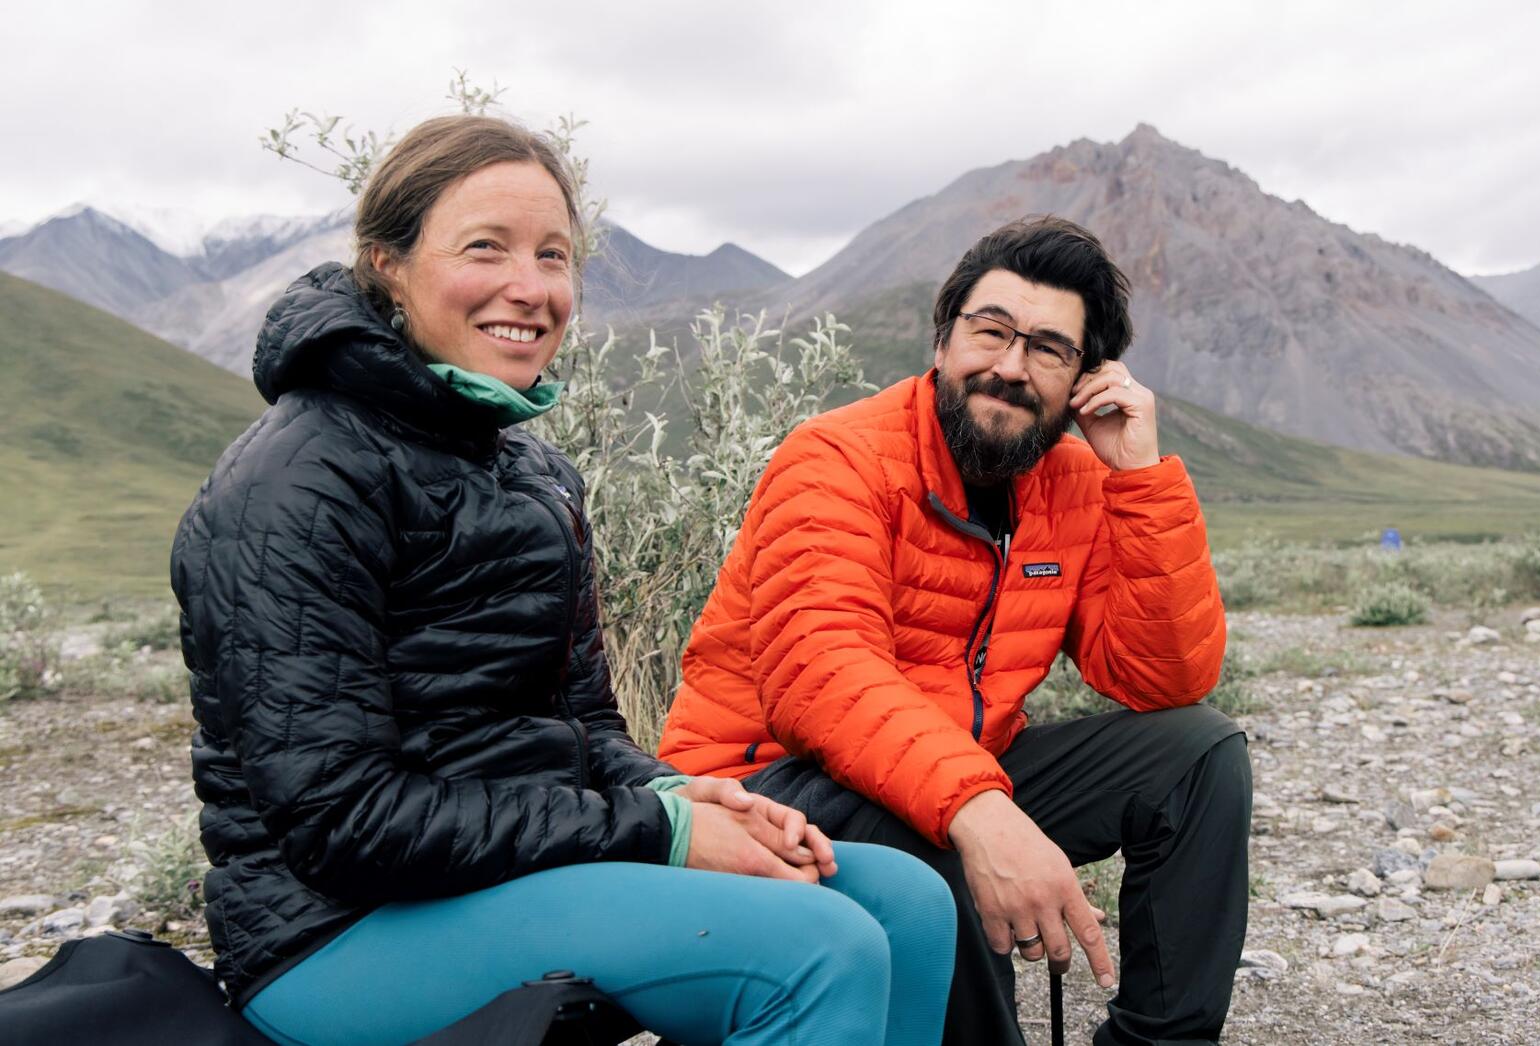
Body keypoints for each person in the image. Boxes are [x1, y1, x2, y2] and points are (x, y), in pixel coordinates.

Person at [171, 114, 955, 1046]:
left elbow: (583, 732)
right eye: (485, 249)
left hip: (507, 874)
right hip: (335, 931)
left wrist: (674, 798)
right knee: (823, 948)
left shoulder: (531, 473)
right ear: (387, 263)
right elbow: (344, 821)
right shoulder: (302, 479)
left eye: (553, 255)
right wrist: (650, 833)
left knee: (907, 902)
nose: (529, 288)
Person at [659, 217, 1253, 1046]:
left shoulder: (1071, 482)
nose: (1010, 368)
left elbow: (1164, 678)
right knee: (922, 839)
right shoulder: (837, 458)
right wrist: (980, 813)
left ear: (1085, 377)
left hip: (953, 773)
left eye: (1048, 348)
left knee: (1197, 752)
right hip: (763, 785)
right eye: (991, 331)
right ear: (943, 341)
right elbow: (823, 677)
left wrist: (1141, 480)